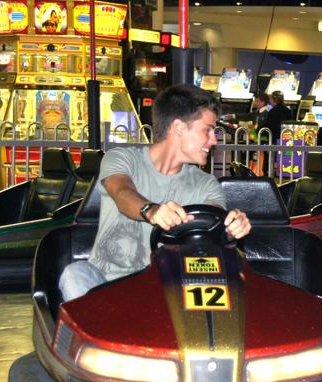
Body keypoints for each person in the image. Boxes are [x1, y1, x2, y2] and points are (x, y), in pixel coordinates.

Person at [59, 84, 251, 301]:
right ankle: (95, 333)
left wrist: (232, 225)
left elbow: (214, 215)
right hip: (106, 285)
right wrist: (151, 211)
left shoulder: (205, 184)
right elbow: (122, 192)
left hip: (165, 292)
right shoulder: (122, 158)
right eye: (207, 130)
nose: (214, 140)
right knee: (74, 274)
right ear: (178, 127)